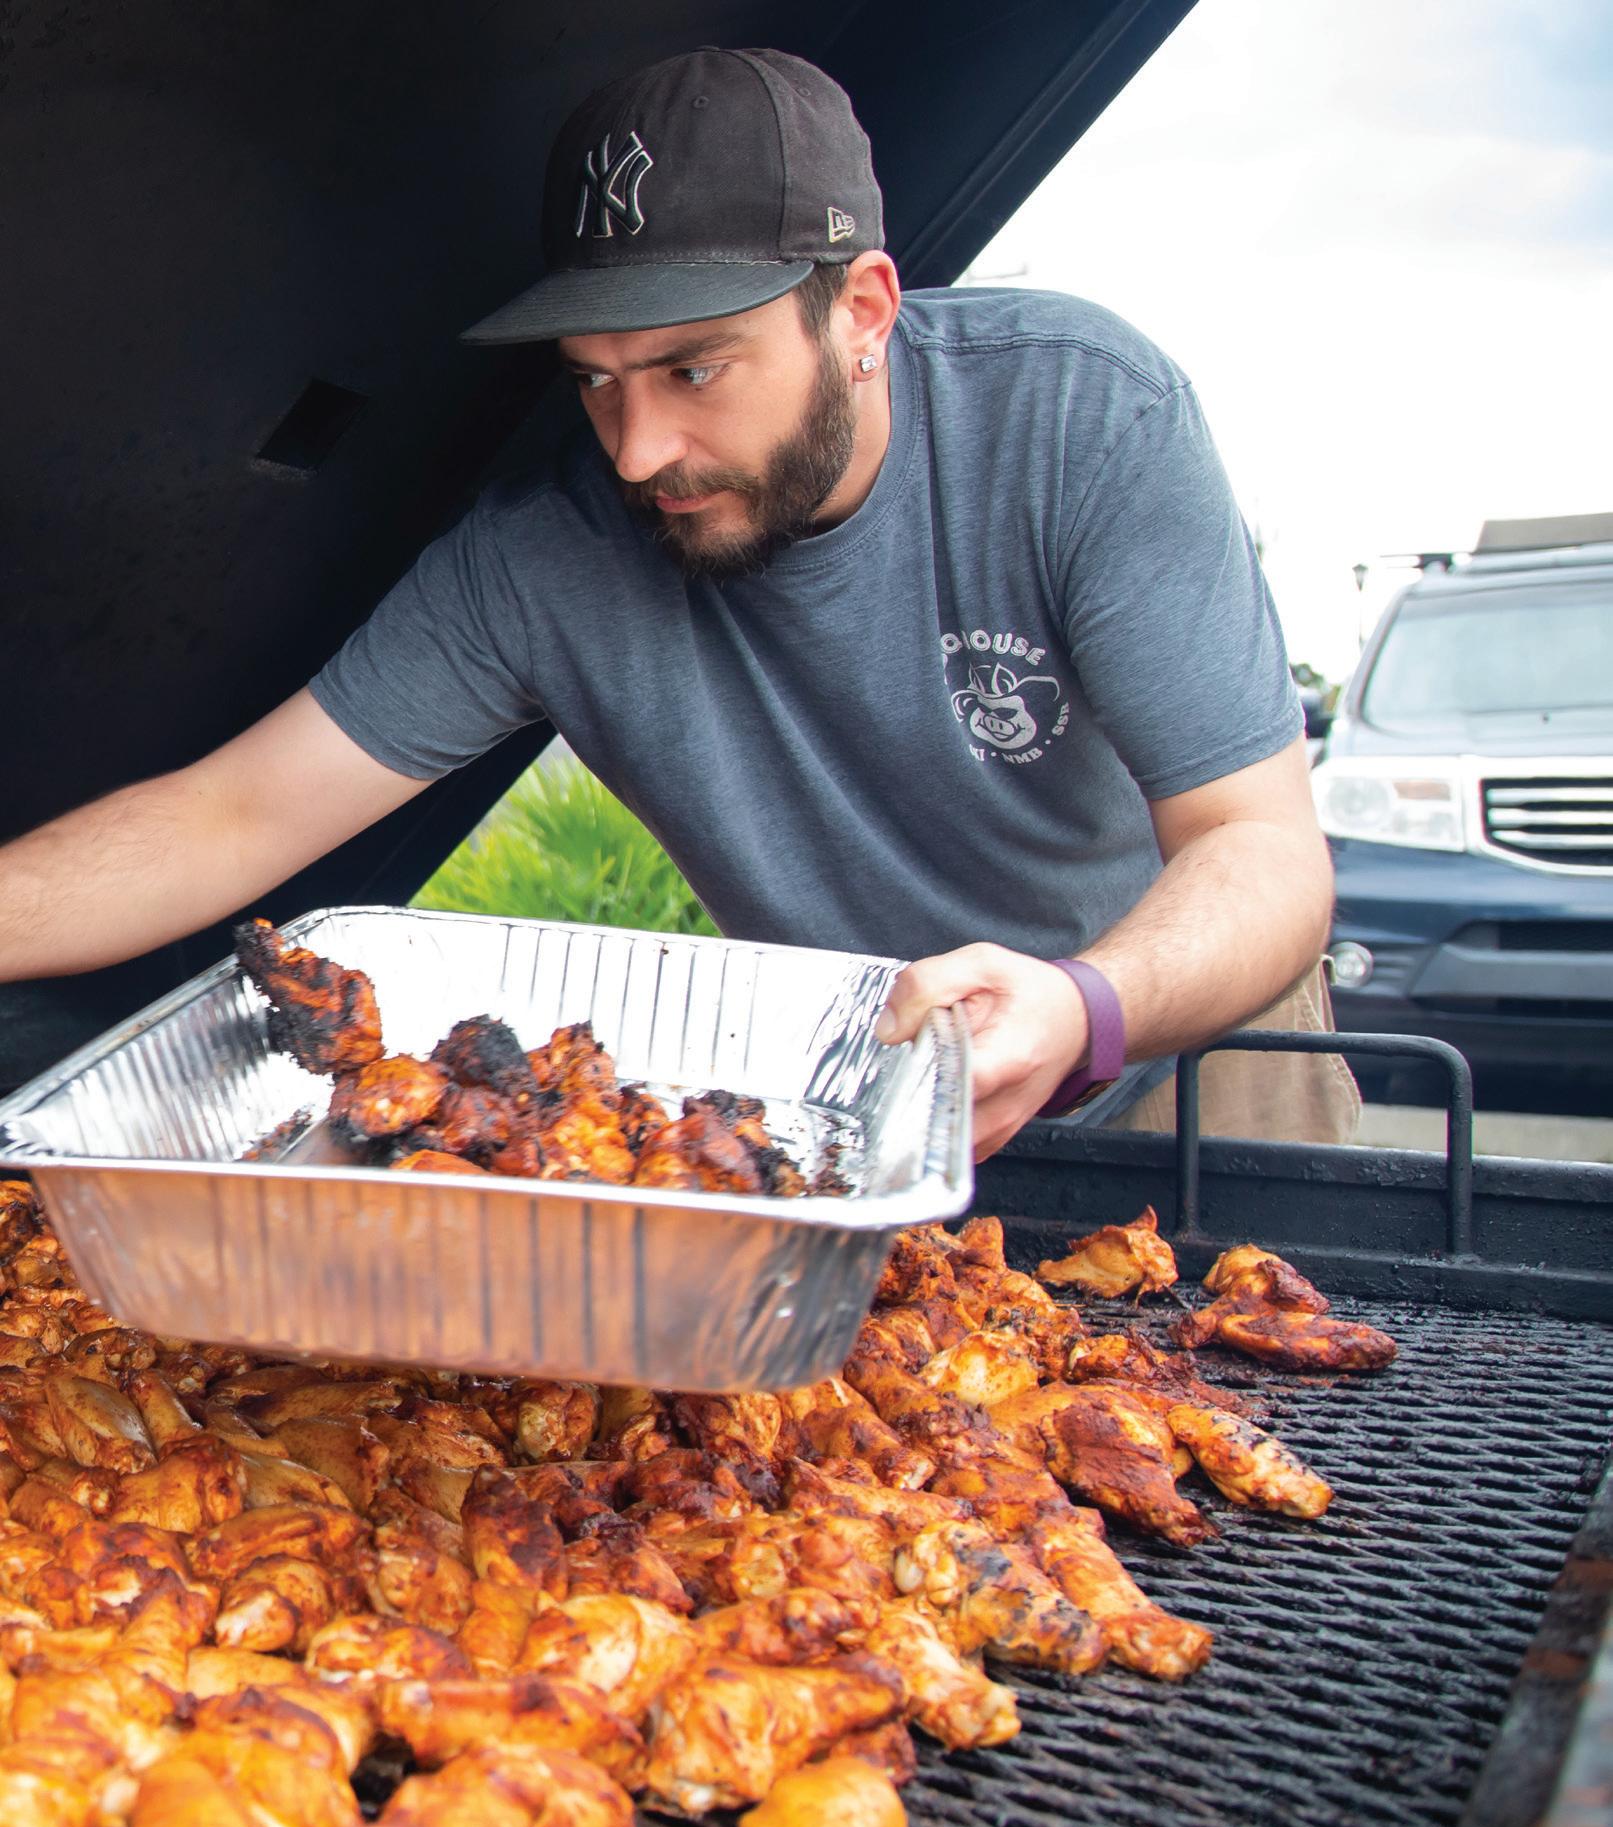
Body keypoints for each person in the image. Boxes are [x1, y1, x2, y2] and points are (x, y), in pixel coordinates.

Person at [0, 46, 1357, 1155]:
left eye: (693, 370)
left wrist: (1082, 1006)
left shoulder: (1080, 417)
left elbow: (1259, 845)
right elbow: (231, 815)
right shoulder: (543, 555)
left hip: (1178, 1060)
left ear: (863, 311)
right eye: (595, 380)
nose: (637, 451)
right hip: (866, 1110)